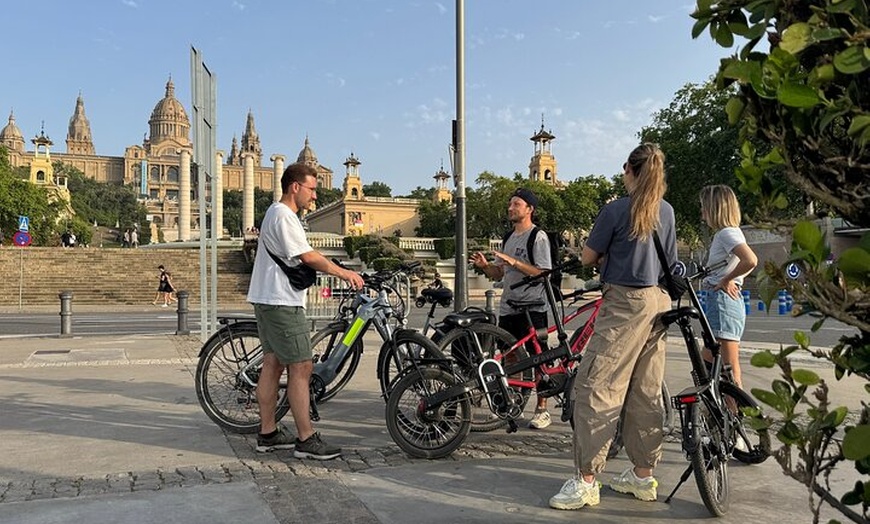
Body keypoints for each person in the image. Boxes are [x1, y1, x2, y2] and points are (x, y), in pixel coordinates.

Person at [549, 143, 677, 510]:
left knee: (598, 386)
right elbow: (669, 261)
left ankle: (587, 479)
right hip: (658, 301)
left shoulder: (616, 210)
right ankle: (642, 475)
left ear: (631, 171)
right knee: (646, 389)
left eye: (625, 169)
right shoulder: (665, 212)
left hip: (624, 302)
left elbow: (589, 256)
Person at [247, 162, 364, 459]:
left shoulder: (277, 214)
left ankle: (268, 433)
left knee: (273, 365)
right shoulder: (284, 216)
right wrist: (343, 273)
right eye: (311, 189)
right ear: (294, 187)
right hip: (282, 302)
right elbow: (307, 256)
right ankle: (306, 438)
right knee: (301, 367)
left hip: (268, 299)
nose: (314, 197)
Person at [470, 187, 553, 430]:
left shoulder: (537, 237)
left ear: (529, 209)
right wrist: (486, 266)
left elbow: (543, 272)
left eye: (516, 204)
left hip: (533, 307)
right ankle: (512, 402)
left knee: (539, 358)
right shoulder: (507, 238)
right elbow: (500, 272)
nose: (510, 208)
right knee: (508, 357)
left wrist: (515, 262)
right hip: (508, 307)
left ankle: (542, 409)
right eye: (510, 204)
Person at [699, 185, 758, 389]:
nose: (702, 212)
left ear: (715, 208)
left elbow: (750, 260)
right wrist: (733, 277)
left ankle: (733, 415)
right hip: (722, 302)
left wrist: (726, 280)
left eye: (704, 207)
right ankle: (714, 413)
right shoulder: (733, 233)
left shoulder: (725, 233)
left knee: (728, 368)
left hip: (723, 302)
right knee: (705, 365)